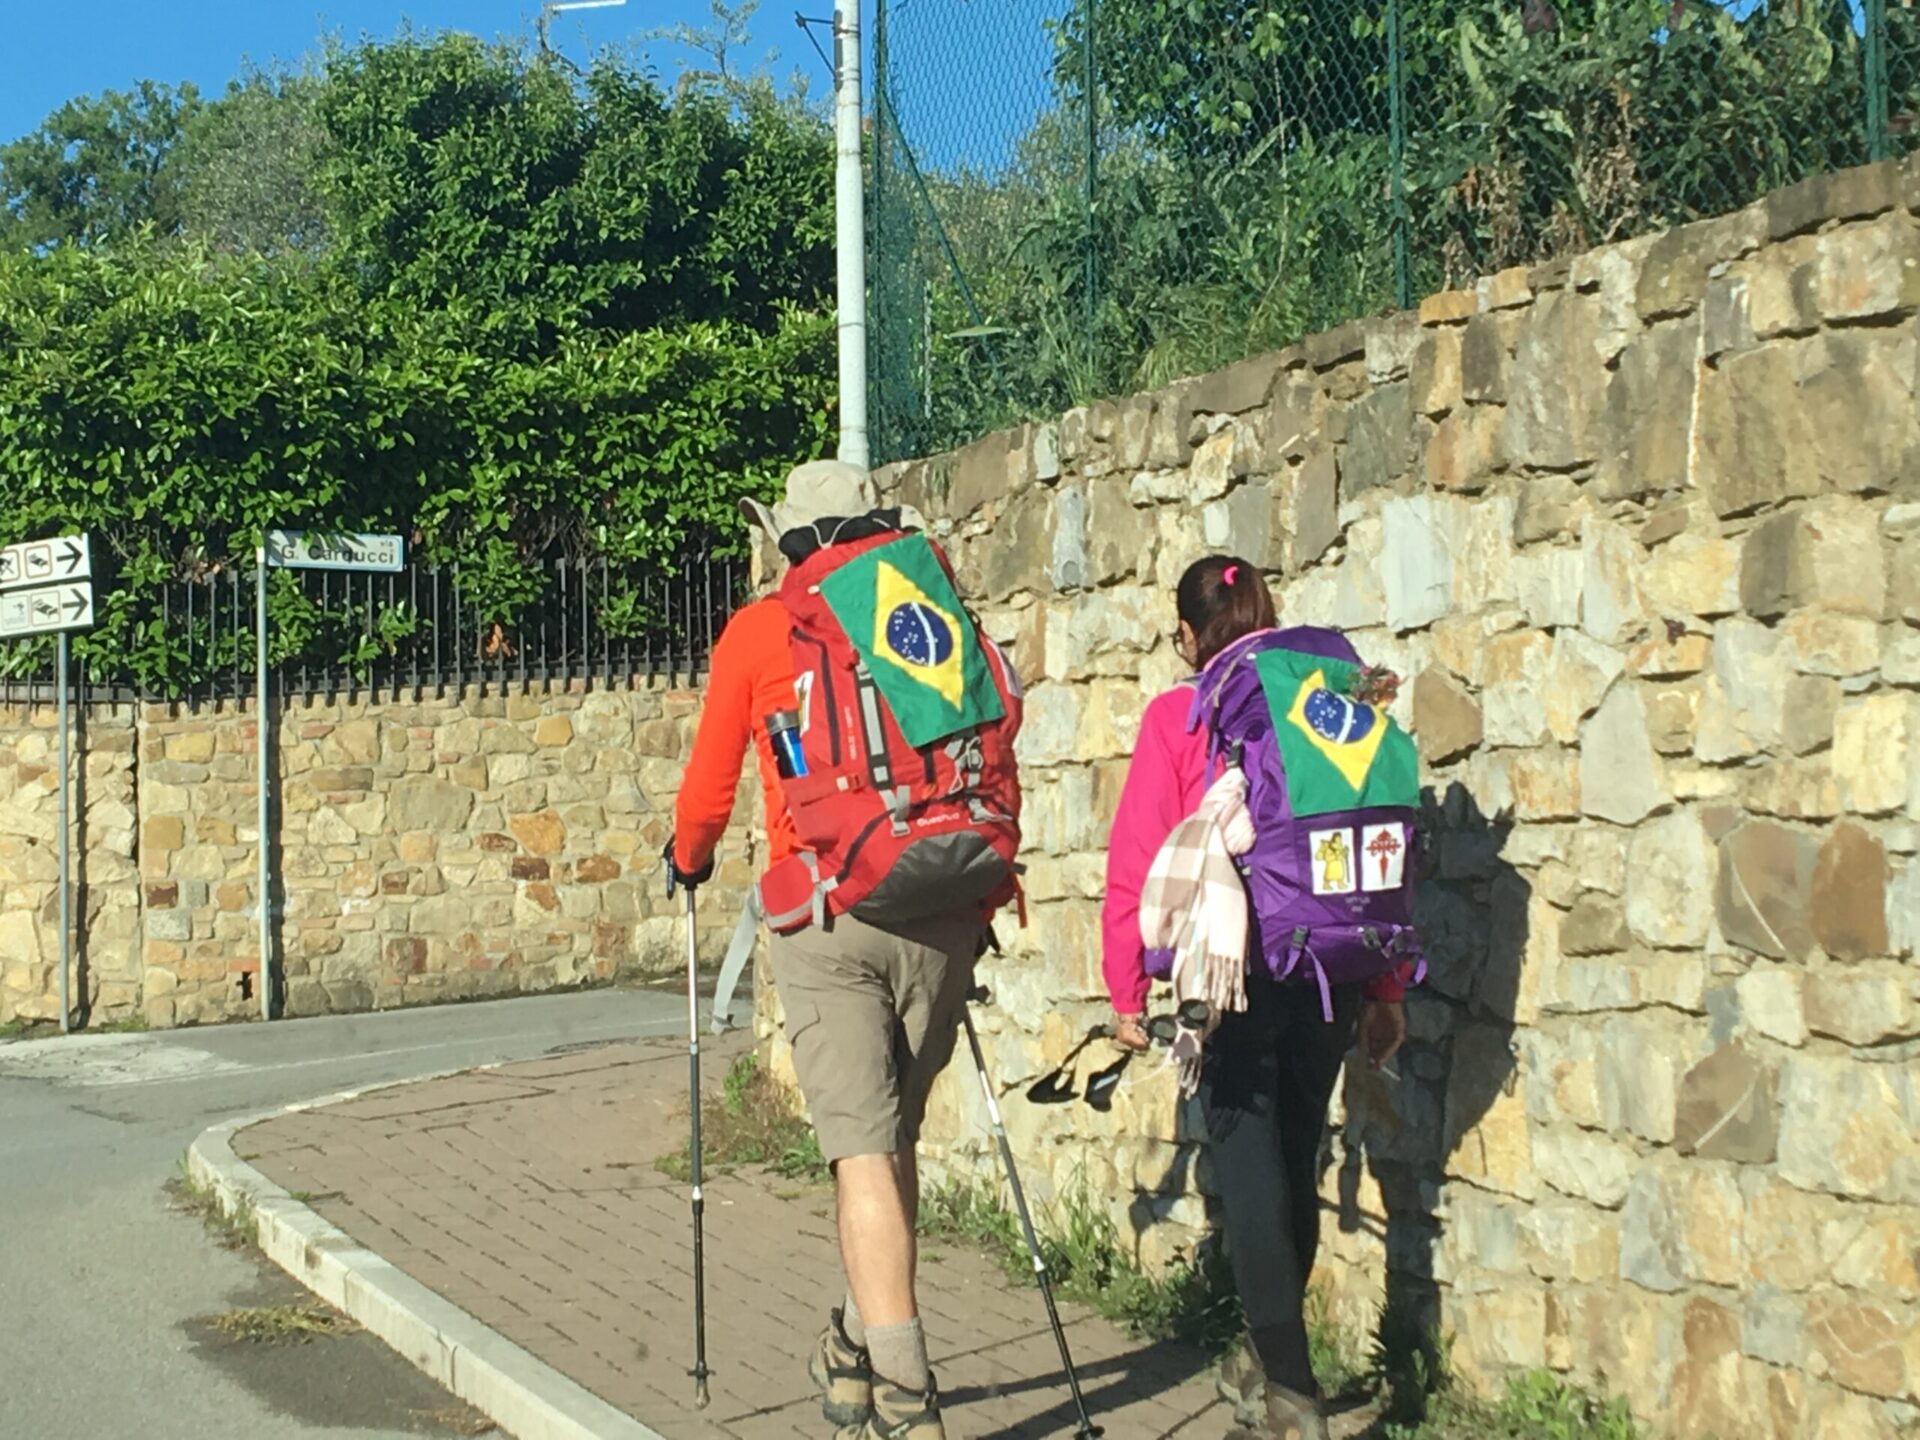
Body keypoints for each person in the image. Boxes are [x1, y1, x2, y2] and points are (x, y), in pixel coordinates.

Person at [668, 459, 1022, 1440]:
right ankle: (860, 1347)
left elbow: (703, 799)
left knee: (861, 1156)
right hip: (951, 901)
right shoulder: (927, 603)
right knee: (890, 1143)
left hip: (827, 916)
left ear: (789, 539)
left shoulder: (758, 629)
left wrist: (688, 859)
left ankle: (908, 1403)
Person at [1101, 555, 1411, 1440]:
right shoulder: (1334, 701)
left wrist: (1127, 984)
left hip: (1229, 970)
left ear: (1191, 636)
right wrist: (1385, 985)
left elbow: (1137, 859)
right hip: (1332, 962)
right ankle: (1268, 1362)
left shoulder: (1182, 711)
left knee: (1248, 1173)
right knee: (1294, 1154)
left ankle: (1293, 1396)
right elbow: (1373, 839)